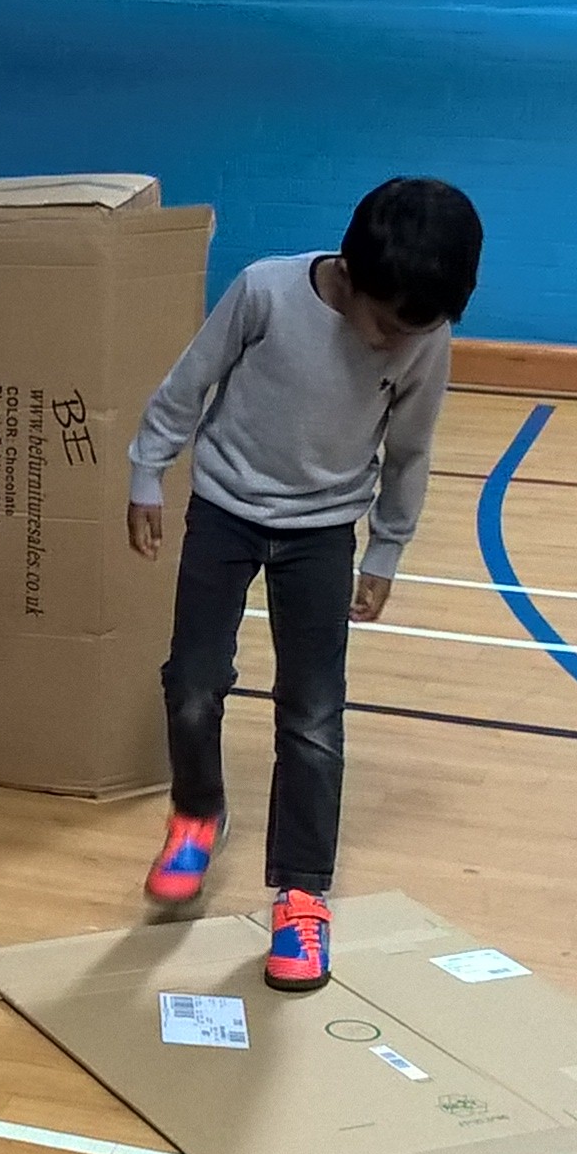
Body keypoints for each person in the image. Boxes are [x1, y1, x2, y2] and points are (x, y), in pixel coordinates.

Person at [127, 176, 483, 994]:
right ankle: (196, 816)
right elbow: (188, 383)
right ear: (350, 275)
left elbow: (410, 450)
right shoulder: (266, 291)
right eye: (387, 323)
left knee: (314, 714)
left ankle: (300, 893)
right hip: (225, 509)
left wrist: (385, 549)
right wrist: (147, 470)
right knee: (192, 684)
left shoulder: (424, 337)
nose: (394, 342)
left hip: (323, 531)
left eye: (417, 328)